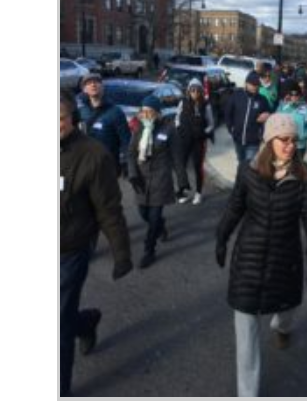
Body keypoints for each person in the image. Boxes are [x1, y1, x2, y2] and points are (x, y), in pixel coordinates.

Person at [216, 114, 307, 397]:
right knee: (247, 339)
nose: (290, 146)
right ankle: (248, 396)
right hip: (248, 262)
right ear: (269, 141)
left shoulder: (304, 175)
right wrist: (221, 237)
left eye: (294, 140)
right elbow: (235, 207)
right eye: (284, 140)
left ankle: (283, 326)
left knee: (285, 311)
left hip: (284, 260)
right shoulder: (248, 171)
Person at [60, 90, 133, 397]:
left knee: (56, 327)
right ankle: (86, 321)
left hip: (70, 249)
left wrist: (121, 253)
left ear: (72, 119)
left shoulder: (93, 155)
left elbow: (108, 209)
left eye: (59, 118)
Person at [127, 95, 182, 269]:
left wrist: (182, 181)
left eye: (150, 111)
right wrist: (132, 174)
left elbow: (177, 157)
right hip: (141, 179)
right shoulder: (138, 129)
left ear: (158, 113)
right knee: (143, 213)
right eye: (143, 111)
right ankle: (161, 226)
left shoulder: (169, 129)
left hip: (160, 178)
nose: (146, 115)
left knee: (153, 217)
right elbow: (130, 154)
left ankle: (149, 251)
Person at [75, 73, 131, 177]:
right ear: (84, 89)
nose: (93, 85)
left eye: (96, 82)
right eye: (88, 83)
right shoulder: (80, 112)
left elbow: (126, 140)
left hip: (108, 167)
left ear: (102, 87)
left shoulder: (116, 112)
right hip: (85, 166)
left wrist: (125, 162)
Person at [175, 78, 215, 205]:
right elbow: (177, 118)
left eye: (197, 90)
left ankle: (198, 193)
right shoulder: (183, 102)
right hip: (184, 139)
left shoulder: (206, 104)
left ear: (201, 91)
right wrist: (179, 128)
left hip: (199, 141)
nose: (195, 93)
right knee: (181, 164)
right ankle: (183, 191)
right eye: (192, 90)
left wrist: (204, 132)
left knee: (198, 167)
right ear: (188, 91)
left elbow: (211, 123)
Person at [225, 71, 272, 166]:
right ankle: (241, 180)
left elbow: (269, 116)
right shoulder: (236, 95)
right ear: (246, 83)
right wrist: (231, 129)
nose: (255, 87)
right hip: (238, 139)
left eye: (257, 84)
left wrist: (268, 116)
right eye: (253, 84)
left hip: (253, 141)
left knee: (250, 165)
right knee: (241, 162)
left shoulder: (262, 100)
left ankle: (246, 179)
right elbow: (227, 113)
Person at [277, 81, 307, 160]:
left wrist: (304, 136)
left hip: (300, 145)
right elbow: (276, 121)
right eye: (292, 94)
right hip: (285, 144)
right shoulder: (283, 106)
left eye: (296, 94)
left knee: (297, 166)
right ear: (289, 95)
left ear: (300, 95)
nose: (294, 97)